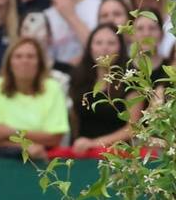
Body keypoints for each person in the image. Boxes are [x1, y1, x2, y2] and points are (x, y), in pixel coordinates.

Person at [0, 36, 68, 160]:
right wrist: (24, 146)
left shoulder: (53, 88)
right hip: (2, 156)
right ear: (10, 62)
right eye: (18, 56)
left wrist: (11, 131)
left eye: (30, 56)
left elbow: (54, 137)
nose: (24, 61)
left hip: (42, 157)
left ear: (39, 63)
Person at [58, 23, 137, 158]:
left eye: (111, 43)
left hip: (118, 157)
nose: (104, 48)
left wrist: (94, 143)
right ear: (90, 47)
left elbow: (133, 128)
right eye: (98, 42)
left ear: (121, 48)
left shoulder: (131, 81)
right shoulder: (78, 79)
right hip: (81, 155)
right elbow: (73, 121)